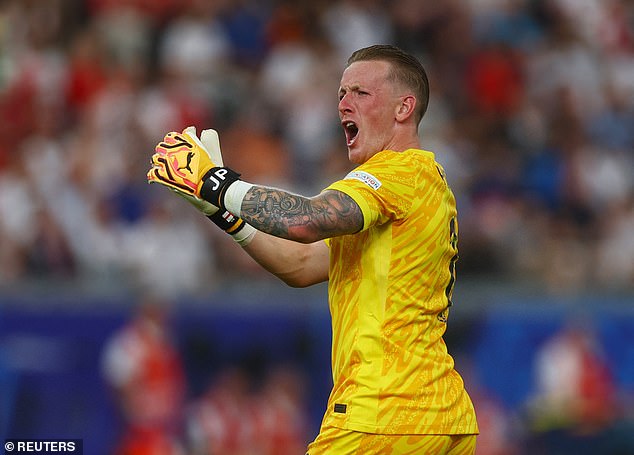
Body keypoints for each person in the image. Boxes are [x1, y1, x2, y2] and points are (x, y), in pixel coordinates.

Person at [148, 44, 478, 454]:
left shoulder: (398, 173)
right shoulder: (417, 187)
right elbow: (301, 264)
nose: (344, 102)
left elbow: (303, 220)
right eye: (341, 93)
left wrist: (216, 182)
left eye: (361, 92)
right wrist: (221, 211)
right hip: (439, 416)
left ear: (403, 108)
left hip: (384, 413)